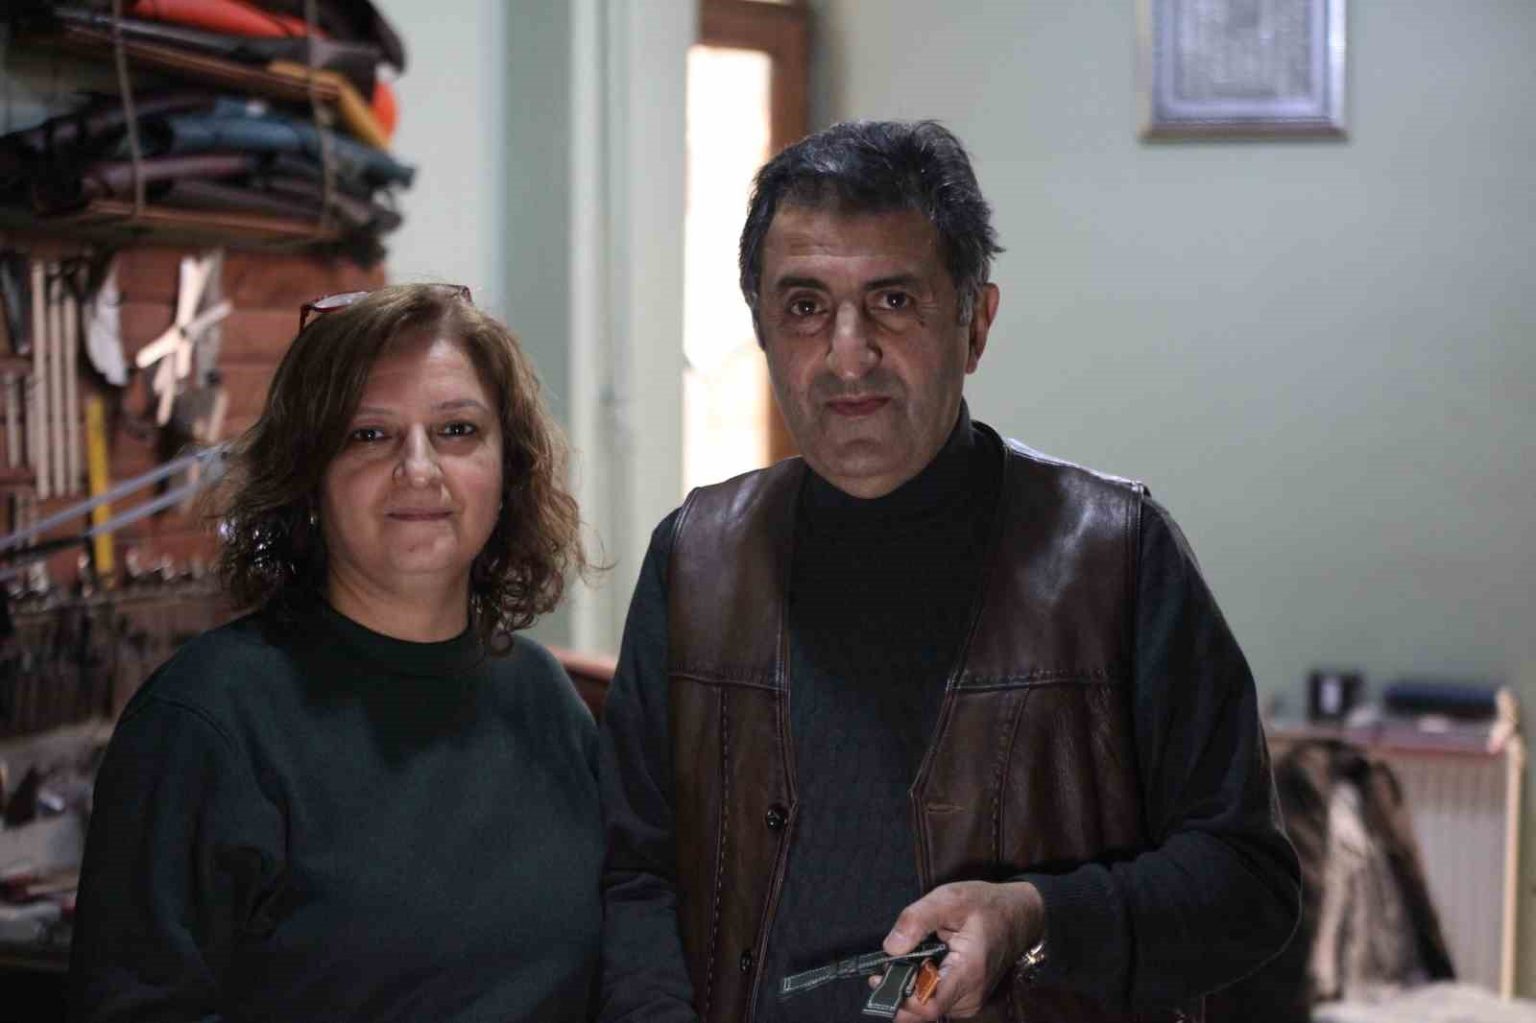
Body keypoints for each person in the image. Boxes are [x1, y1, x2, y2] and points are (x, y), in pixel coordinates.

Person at [598, 121, 1301, 1023]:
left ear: (976, 323)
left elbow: (1248, 880)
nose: (847, 354)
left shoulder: (1116, 557)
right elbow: (635, 874)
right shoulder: (695, 559)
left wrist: (1040, 919)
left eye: (893, 301)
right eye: (805, 306)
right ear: (764, 332)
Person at [69, 284, 600, 1022]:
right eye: (369, 435)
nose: (419, 468)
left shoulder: (545, 700)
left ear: (508, 470)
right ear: (307, 478)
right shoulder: (205, 723)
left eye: (457, 430)